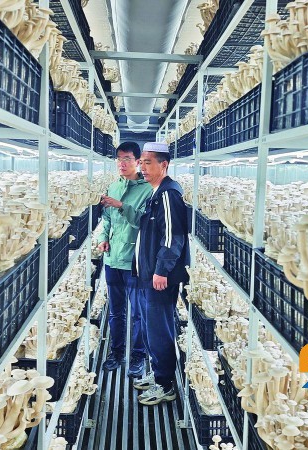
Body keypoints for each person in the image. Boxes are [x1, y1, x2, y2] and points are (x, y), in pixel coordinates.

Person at [131, 142, 190, 406]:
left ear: (164, 165)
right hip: (148, 274)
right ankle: (157, 373)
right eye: (141, 162)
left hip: (159, 277)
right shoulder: (156, 192)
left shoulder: (169, 194)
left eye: (148, 162)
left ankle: (165, 385)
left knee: (159, 329)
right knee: (150, 326)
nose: (142, 167)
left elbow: (173, 236)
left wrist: (161, 270)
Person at [98, 142, 154, 377]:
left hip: (134, 261)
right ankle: (116, 352)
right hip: (112, 259)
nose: (122, 163)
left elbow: (144, 222)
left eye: (127, 159)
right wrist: (103, 238)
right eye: (119, 159)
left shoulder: (148, 190)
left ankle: (138, 356)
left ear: (138, 161)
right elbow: (106, 219)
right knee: (116, 311)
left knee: (138, 312)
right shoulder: (113, 186)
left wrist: (121, 205)